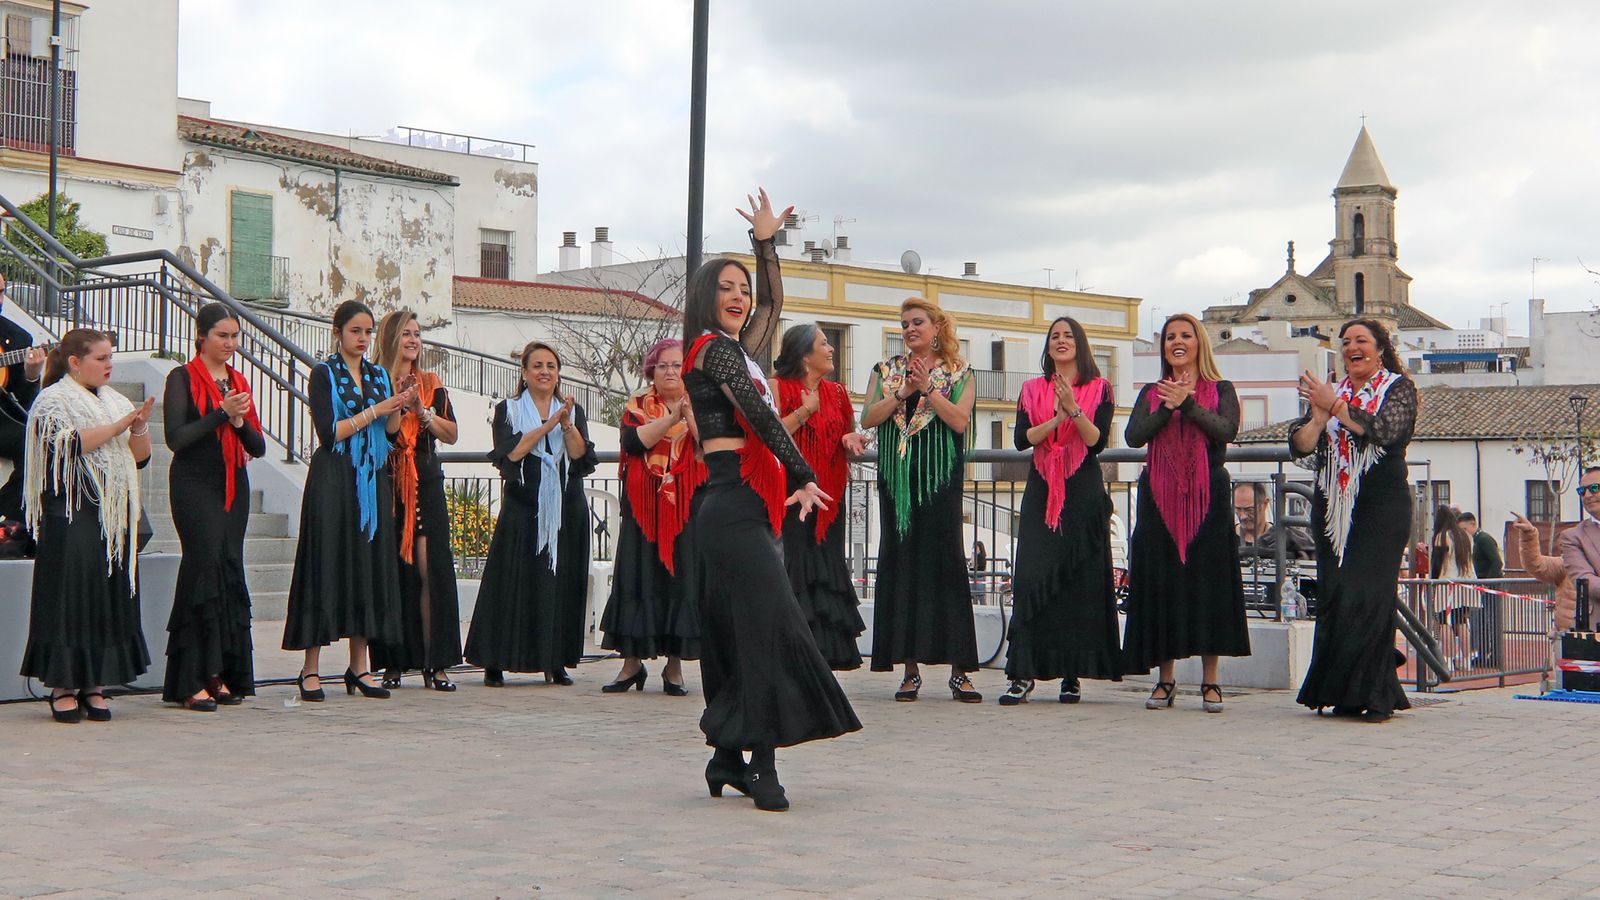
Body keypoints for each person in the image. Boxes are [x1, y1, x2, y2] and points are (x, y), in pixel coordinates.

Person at [682, 188, 860, 812]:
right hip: (728, 503)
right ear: (708, 297)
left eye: (743, 289)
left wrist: (765, 244)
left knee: (744, 630)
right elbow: (759, 414)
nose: (740, 297)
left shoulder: (740, 351)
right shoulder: (707, 351)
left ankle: (728, 756)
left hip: (752, 506)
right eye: (727, 288)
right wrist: (805, 471)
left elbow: (776, 301)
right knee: (767, 628)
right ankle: (760, 763)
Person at [282, 300, 416, 702]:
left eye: (368, 331)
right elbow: (328, 432)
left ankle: (360, 666)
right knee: (325, 564)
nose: (362, 338)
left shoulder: (378, 374)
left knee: (366, 566)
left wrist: (399, 407)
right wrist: (377, 408)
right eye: (355, 331)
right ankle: (310, 668)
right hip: (334, 476)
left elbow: (390, 434)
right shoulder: (323, 373)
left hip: (370, 478)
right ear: (338, 332)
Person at [20, 328, 155, 723]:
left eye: (110, 357)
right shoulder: (52, 400)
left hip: (110, 512)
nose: (108, 365)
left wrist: (139, 426)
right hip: (70, 509)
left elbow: (140, 459)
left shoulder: (114, 400)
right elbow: (67, 444)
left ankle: (94, 683)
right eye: (100, 358)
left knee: (104, 597)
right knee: (69, 597)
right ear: (75, 362)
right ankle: (63, 687)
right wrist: (119, 426)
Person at [1291, 318, 1418, 722]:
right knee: (1337, 595)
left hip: (1379, 507)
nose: (1351, 347)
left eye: (1361, 340)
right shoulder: (1332, 392)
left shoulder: (1398, 388)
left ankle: (1377, 694)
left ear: (1380, 348)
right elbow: (1300, 448)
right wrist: (1316, 417)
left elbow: (1383, 431)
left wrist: (1338, 408)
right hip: (1333, 507)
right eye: (1345, 342)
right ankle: (1343, 691)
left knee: (1370, 595)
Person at [1122, 313, 1249, 713]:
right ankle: (1165, 679)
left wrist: (1188, 403)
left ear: (1199, 344)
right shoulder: (1151, 392)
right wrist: (1166, 406)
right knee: (1163, 584)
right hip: (1158, 498)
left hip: (1208, 499)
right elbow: (1133, 436)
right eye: (1170, 337)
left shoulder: (1221, 388)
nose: (1177, 342)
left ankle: (1211, 681)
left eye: (1185, 335)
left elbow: (1226, 430)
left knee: (1207, 583)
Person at [860, 297, 982, 703]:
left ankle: (960, 670)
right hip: (898, 484)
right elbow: (868, 418)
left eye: (918, 322)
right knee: (903, 565)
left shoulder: (960, 372)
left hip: (939, 483)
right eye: (905, 323)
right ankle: (909, 669)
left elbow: (959, 420)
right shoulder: (886, 371)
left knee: (946, 565)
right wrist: (904, 391)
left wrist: (928, 389)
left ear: (936, 327)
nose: (910, 329)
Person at [1001, 316, 1121, 706]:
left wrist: (1073, 409)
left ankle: (1072, 674)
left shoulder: (1100, 388)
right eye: (1055, 336)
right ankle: (1022, 673)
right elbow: (1022, 439)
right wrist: (1055, 416)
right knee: (1033, 577)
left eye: (1068, 335)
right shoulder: (1032, 388)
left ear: (1081, 344)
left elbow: (1095, 441)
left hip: (1082, 489)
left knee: (1077, 580)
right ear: (1048, 347)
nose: (1061, 341)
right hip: (1041, 486)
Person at [464, 342, 597, 686]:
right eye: (537, 365)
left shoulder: (572, 410)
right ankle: (496, 659)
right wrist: (549, 423)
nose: (544, 372)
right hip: (524, 507)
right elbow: (513, 454)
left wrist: (566, 425)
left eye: (551, 366)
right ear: (524, 372)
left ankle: (554, 660)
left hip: (565, 507)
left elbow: (581, 457)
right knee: (510, 582)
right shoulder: (508, 410)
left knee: (558, 583)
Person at [161, 303, 266, 712]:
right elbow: (177, 438)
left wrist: (238, 422)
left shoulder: (238, 381)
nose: (230, 343)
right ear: (202, 336)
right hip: (194, 483)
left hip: (232, 483)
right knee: (202, 567)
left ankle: (219, 672)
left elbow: (256, 446)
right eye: (222, 335)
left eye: (235, 336)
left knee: (227, 569)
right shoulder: (182, 377)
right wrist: (221, 414)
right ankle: (190, 678)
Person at [599, 338, 705, 694]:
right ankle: (631, 666)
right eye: (663, 366)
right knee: (636, 579)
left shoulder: (701, 403)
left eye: (677, 365)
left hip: (685, 508)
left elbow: (707, 446)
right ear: (651, 371)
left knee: (680, 581)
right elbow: (633, 443)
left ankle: (674, 669)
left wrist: (688, 416)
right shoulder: (638, 405)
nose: (670, 372)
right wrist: (672, 419)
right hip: (643, 508)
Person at [371, 309, 463, 691]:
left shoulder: (430, 382)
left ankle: (434, 662)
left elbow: (452, 433)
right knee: (393, 573)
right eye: (405, 334)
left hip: (424, 480)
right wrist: (396, 400)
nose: (413, 340)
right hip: (388, 481)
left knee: (431, 570)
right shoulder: (376, 381)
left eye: (417, 334)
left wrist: (421, 412)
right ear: (391, 338)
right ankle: (393, 662)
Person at [772, 323, 867, 671]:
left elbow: (846, 431)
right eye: (824, 343)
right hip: (792, 493)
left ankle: (829, 651)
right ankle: (794, 648)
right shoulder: (778, 387)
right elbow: (771, 434)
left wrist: (849, 440)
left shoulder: (839, 393)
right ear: (804, 354)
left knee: (827, 563)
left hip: (829, 494)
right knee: (794, 563)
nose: (831, 349)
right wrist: (805, 411)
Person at [0, 273, 47, 527]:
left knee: (40, 445)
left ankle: (8, 513)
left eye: (1, 292)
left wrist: (31, 376)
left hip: (2, 419)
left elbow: (22, 405)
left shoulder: (18, 338)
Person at [1429, 504, 1479, 672]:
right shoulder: (1466, 536)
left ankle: (1448, 659)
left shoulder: (1441, 537)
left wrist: (1432, 583)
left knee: (1444, 622)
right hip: (1466, 583)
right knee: (1462, 622)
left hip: (1446, 583)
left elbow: (1436, 564)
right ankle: (1466, 660)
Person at [1558, 467, 1600, 631]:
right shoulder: (1572, 537)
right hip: (1595, 632)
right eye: (1582, 491)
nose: (1588, 495)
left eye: (1595, 488)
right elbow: (1584, 580)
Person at [1459, 511, 1503, 667]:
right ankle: (1485, 654)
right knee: (1485, 621)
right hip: (1485, 586)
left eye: (1465, 529)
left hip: (1490, 587)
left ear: (1473, 524)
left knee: (1492, 622)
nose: (1464, 533)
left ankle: (1495, 656)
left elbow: (1497, 562)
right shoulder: (1477, 540)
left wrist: (1487, 582)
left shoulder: (1483, 539)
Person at [1233, 482, 1315, 562]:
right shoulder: (1226, 538)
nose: (1242, 516)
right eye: (1237, 509)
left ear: (1265, 503)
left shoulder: (1285, 537)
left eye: (1249, 510)